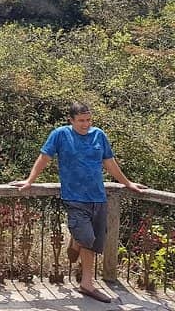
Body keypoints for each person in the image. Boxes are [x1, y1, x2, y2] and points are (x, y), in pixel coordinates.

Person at [10, 101, 146, 303]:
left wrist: (127, 183)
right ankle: (83, 263)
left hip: (98, 197)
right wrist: (30, 180)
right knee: (88, 239)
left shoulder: (99, 135)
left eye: (88, 120)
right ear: (71, 120)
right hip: (74, 197)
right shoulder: (60, 134)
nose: (85, 124)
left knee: (92, 243)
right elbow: (44, 157)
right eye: (81, 120)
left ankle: (84, 275)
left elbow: (109, 162)